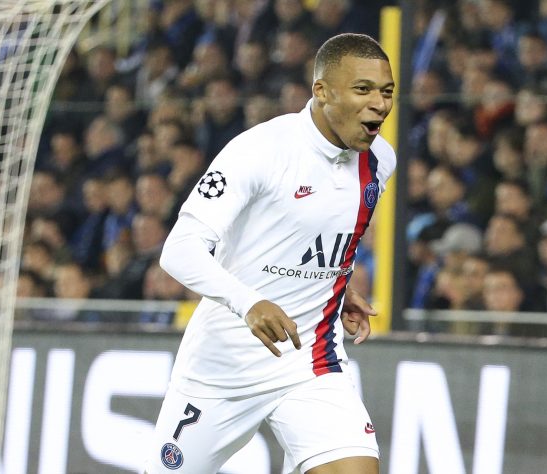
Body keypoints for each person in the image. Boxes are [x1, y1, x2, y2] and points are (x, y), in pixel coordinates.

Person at [145, 33, 395, 474]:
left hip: (311, 362)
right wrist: (249, 302)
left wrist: (339, 285)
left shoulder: (380, 160)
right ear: (322, 91)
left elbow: (326, 232)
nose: (379, 104)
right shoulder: (261, 150)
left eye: (386, 92)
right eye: (363, 90)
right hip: (223, 368)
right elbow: (179, 249)